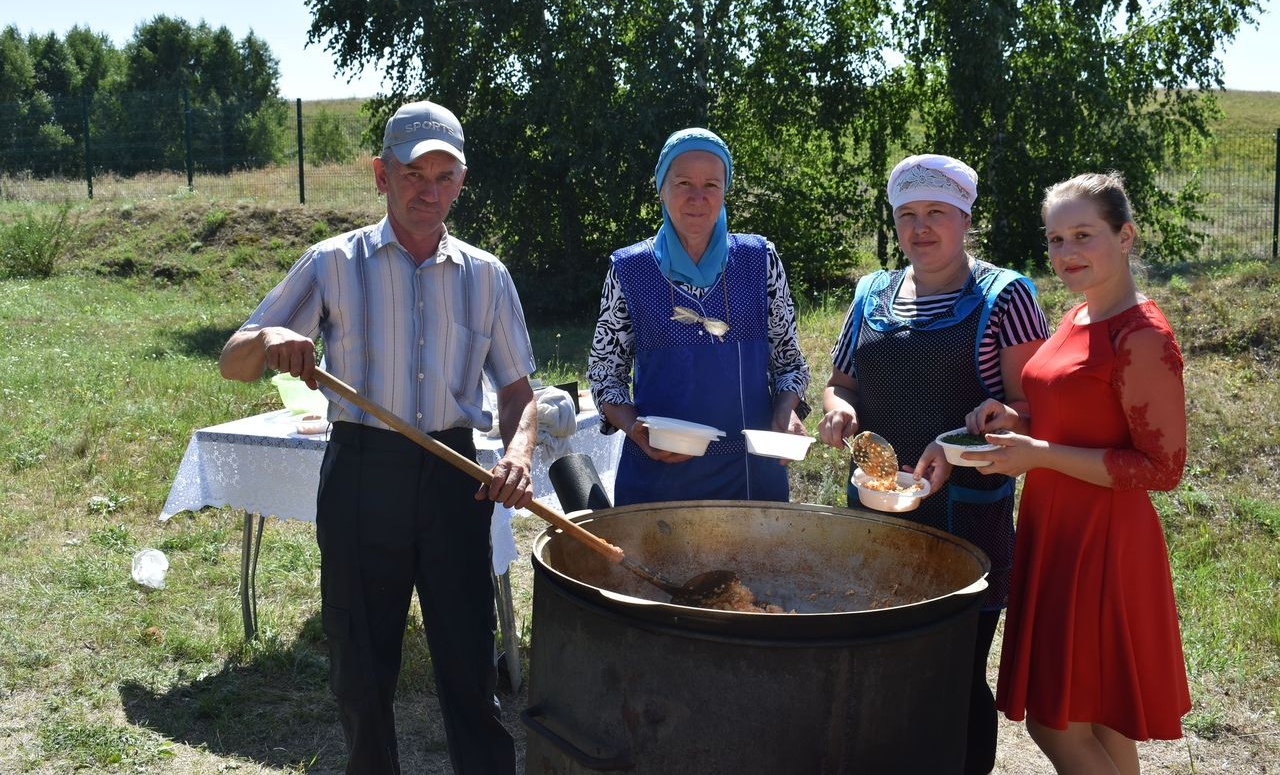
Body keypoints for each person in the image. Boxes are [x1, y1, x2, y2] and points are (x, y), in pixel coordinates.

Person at [218, 100, 537, 775]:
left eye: (443, 174)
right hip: (362, 474)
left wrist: (515, 453)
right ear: (380, 174)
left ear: (461, 181)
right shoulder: (332, 263)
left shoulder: (486, 274)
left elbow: (516, 391)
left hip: (456, 479)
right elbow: (234, 359)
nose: (428, 189)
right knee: (361, 671)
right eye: (412, 171)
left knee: (468, 664)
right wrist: (272, 338)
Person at [817, 153, 1049, 774]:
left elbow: (1037, 410)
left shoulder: (1006, 297)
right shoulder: (872, 293)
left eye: (936, 214)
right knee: (876, 661)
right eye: (908, 215)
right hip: (876, 509)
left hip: (967, 517)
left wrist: (999, 419)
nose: (920, 229)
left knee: (956, 674)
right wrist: (838, 411)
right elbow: (841, 383)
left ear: (965, 218)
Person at [967, 172, 1190, 774]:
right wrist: (1013, 415)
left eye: (1083, 235)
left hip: (1105, 541)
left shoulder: (1142, 336)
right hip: (1055, 528)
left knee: (1054, 719)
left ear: (1126, 237)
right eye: (1056, 239)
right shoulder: (1077, 315)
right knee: (1098, 717)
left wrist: (1038, 454)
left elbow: (1162, 469)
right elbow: (1071, 411)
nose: (1066, 253)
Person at [587, 127, 811, 505]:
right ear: (661, 188)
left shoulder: (761, 260)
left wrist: (785, 411)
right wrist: (633, 427)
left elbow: (789, 365)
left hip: (752, 482)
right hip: (659, 482)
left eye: (711, 184)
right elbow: (605, 375)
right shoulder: (630, 270)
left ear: (725, 190)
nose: (697, 197)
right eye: (683, 183)